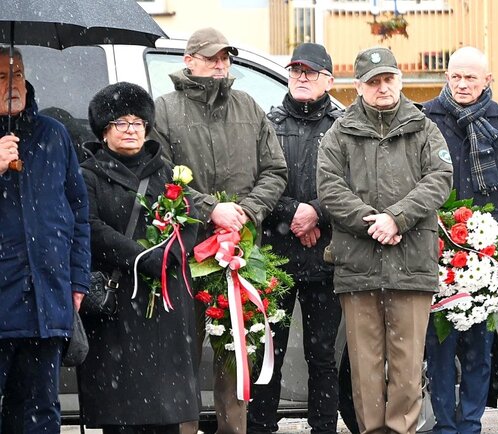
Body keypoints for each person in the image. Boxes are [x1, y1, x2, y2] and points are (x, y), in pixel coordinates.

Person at [151, 27, 287, 434]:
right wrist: (211, 209)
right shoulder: (164, 110)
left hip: (239, 255)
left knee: (235, 359)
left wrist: (246, 211)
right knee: (182, 361)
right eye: (211, 57)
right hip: (185, 254)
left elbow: (275, 170)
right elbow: (160, 176)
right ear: (188, 60)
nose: (220, 64)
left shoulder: (249, 106)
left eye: (224, 57)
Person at [317, 47, 453, 434]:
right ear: (358, 87)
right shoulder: (339, 133)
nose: (382, 87)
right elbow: (329, 187)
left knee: (408, 369)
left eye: (388, 79)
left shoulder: (424, 128)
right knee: (365, 369)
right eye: (373, 82)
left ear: (400, 80)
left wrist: (397, 218)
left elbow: (439, 179)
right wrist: (371, 223)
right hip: (357, 265)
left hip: (411, 264)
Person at [422, 46, 498, 434]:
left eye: (471, 77)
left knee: (479, 350)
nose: (462, 84)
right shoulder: (426, 118)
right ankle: (444, 424)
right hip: (438, 251)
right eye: (456, 76)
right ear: (447, 78)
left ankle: (470, 423)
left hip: (488, 256)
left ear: (487, 80)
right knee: (439, 348)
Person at [77, 82, 200, 434]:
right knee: (122, 414)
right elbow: (91, 227)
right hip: (118, 303)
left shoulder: (167, 172)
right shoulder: (89, 174)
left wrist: (170, 255)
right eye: (121, 123)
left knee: (166, 411)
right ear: (104, 131)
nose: (131, 130)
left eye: (137, 122)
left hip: (165, 303)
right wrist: (142, 256)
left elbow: (189, 220)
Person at [247, 43, 343, 434]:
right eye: (295, 71)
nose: (301, 78)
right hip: (276, 257)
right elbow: (257, 182)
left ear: (328, 80)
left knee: (322, 356)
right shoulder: (267, 124)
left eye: (310, 72)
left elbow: (354, 186)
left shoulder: (343, 126)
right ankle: (260, 426)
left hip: (326, 259)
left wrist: (317, 212)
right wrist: (295, 214)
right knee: (268, 353)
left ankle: (324, 427)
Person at [0, 46, 91, 433]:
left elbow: (79, 210)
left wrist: (78, 280)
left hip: (47, 301)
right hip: (4, 294)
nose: (12, 84)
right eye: (2, 76)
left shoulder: (53, 134)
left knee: (41, 411)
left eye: (17, 74)